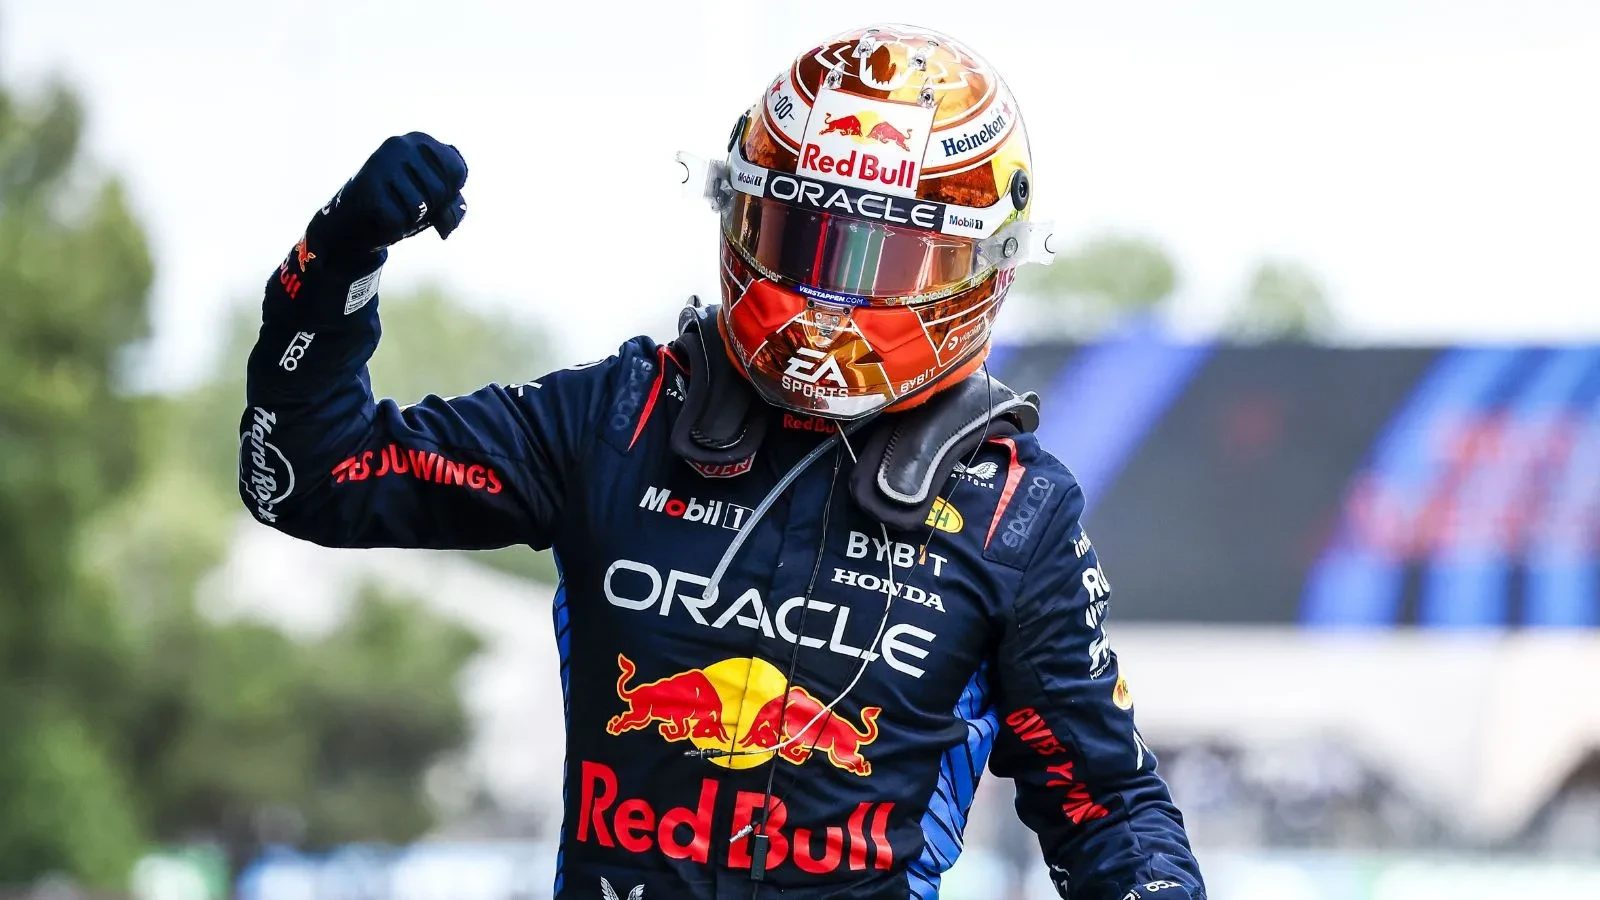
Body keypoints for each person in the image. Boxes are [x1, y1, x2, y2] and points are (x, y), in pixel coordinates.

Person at [239, 23, 1206, 900]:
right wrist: (338, 257)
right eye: (806, 237)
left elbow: (1108, 810)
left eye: (876, 259)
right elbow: (306, 478)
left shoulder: (1015, 515)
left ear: (979, 267)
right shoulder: (618, 417)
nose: (831, 294)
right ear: (742, 214)